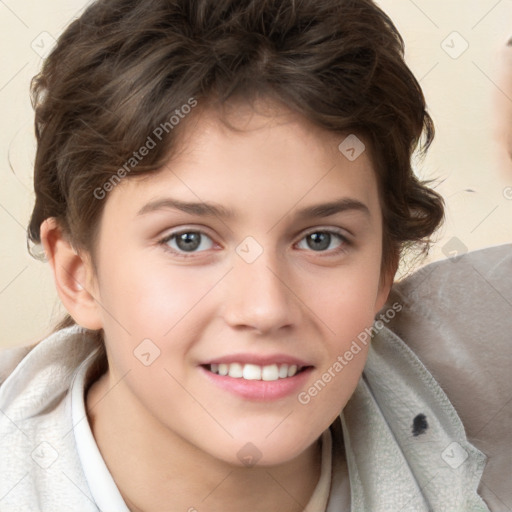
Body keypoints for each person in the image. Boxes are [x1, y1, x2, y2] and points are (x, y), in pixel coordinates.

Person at [0, 0, 504, 510]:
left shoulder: (486, 398)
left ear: (382, 274)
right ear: (78, 274)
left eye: (320, 239)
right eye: (188, 240)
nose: (265, 309)